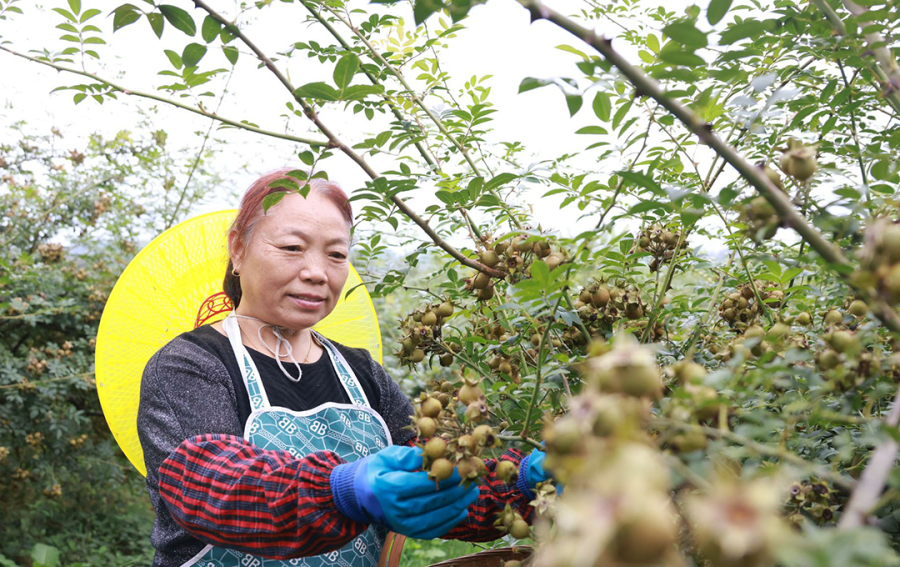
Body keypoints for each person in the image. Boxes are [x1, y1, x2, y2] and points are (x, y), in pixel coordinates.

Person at [137, 169, 550, 567]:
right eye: (292, 247)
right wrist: (341, 490)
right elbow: (212, 486)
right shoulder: (188, 365)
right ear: (238, 249)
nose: (317, 273)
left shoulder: (361, 372)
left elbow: (436, 478)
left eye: (336, 254)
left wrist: (525, 481)